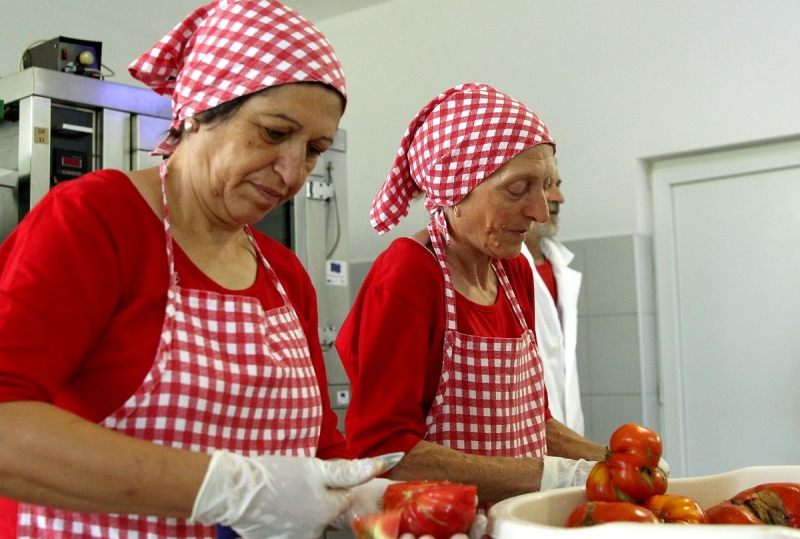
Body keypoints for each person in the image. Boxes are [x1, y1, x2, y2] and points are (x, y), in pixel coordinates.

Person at [0, 2, 392, 538]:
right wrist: (229, 489)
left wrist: (362, 500)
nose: (292, 171)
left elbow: (321, 444)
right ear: (199, 112)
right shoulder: (97, 220)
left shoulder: (285, 273)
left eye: (314, 150)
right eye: (275, 133)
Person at [336, 83, 607, 505]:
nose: (538, 211)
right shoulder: (408, 274)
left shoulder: (512, 268)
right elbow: (383, 451)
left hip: (511, 522)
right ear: (454, 191)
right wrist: (548, 475)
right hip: (437, 526)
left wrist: (611, 461)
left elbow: (530, 422)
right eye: (517, 190)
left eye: (544, 186)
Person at [520, 164, 586, 435]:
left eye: (558, 185)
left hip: (567, 433)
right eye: (549, 186)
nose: (559, 197)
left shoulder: (559, 266)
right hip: (523, 441)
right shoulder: (499, 269)